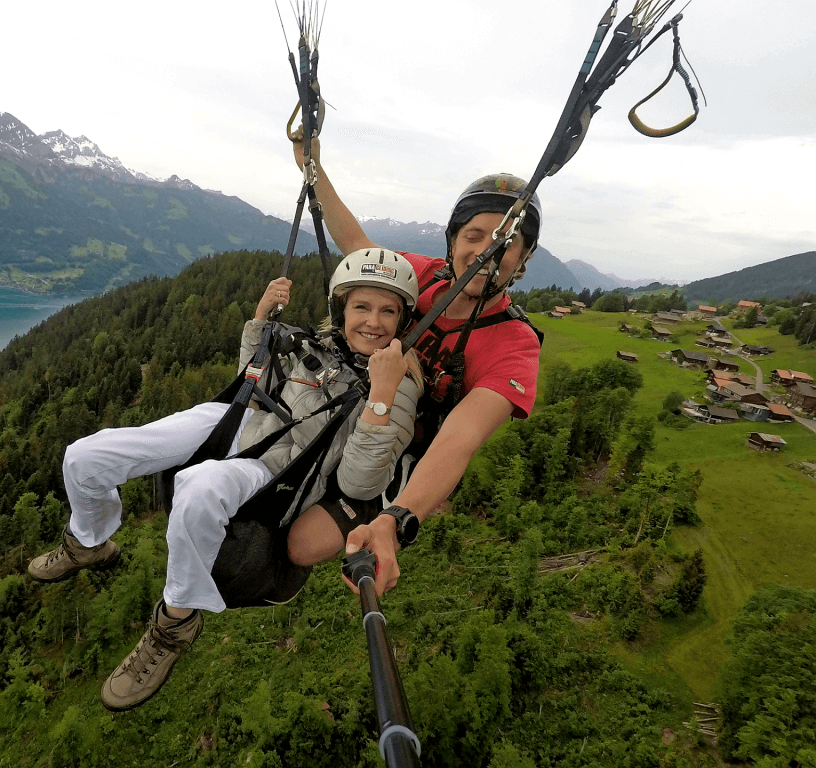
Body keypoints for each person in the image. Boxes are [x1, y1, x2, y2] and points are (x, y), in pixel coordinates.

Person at [27, 249, 423, 710]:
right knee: (86, 457)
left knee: (196, 489)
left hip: (277, 464)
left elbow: (358, 484)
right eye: (362, 307)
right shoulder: (319, 344)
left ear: (403, 318)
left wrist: (381, 395)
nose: (373, 322)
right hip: (239, 420)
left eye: (388, 311)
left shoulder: (399, 385)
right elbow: (252, 379)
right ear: (340, 309)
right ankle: (88, 539)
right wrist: (259, 324)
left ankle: (175, 622)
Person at [287, 132, 543, 598]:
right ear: (453, 241)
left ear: (522, 258)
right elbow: (356, 246)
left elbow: (460, 439)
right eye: (474, 235)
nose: (487, 250)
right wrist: (311, 165)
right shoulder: (424, 276)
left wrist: (396, 518)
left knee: (302, 546)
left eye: (506, 243)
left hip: (400, 458)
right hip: (354, 408)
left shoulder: (514, 345)